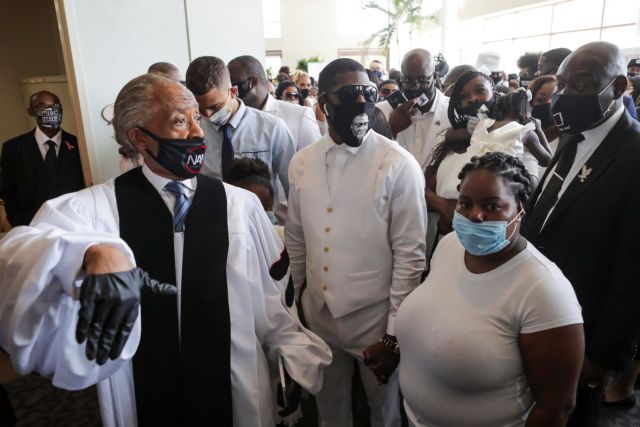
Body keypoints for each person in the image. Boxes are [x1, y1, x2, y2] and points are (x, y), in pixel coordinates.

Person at [0, 73, 331, 427]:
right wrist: (88, 253)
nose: (198, 132)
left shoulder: (239, 206)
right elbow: (17, 253)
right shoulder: (96, 209)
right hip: (143, 388)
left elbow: (271, 297)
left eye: (196, 118)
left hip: (233, 382)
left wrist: (289, 354)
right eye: (179, 121)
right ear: (138, 137)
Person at [286, 58, 428, 427]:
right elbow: (297, 237)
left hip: (375, 319)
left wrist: (394, 335)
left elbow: (410, 256)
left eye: (368, 92)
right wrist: (298, 303)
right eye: (349, 94)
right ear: (324, 103)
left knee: (385, 411)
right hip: (318, 314)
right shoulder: (301, 162)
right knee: (329, 410)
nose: (362, 101)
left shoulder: (397, 164)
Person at [397, 151, 584, 426]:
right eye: (465, 204)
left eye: (492, 206)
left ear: (519, 210)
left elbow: (555, 408)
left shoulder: (545, 292)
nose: (475, 216)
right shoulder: (450, 246)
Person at [521, 41, 640, 427]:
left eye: (581, 85)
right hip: (531, 312)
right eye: (563, 85)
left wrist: (602, 356)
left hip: (582, 333)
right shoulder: (574, 134)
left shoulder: (634, 154)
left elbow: (633, 274)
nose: (567, 96)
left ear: (618, 87)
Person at [185, 56, 295, 205]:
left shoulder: (272, 128)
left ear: (233, 91)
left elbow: (292, 185)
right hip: (211, 215)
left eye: (215, 107)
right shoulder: (192, 133)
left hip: (258, 216)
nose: (208, 115)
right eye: (200, 108)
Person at [426, 70, 496, 237]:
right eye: (464, 96)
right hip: (444, 238)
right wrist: (443, 206)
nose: (472, 99)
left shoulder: (510, 137)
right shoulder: (451, 140)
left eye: (480, 90)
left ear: (495, 93)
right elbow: (425, 188)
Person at [0, 91, 85, 227]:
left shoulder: (80, 144)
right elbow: (8, 190)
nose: (50, 110)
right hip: (31, 226)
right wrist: (19, 223)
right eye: (42, 106)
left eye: (55, 106)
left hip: (75, 224)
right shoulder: (13, 148)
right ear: (31, 111)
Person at [377, 48, 450, 171]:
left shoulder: (452, 111)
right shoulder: (381, 111)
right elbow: (371, 158)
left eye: (422, 80)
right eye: (408, 81)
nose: (415, 87)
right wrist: (391, 129)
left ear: (435, 76)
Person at [227, 55, 320, 152]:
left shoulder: (300, 115)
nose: (230, 91)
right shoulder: (232, 118)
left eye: (233, 83)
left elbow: (314, 157)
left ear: (253, 82)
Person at [469, 88, 552, 188]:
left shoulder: (483, 123)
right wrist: (539, 130)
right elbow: (548, 161)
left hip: (473, 178)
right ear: (525, 110)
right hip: (503, 186)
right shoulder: (524, 132)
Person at [529, 75, 560, 150]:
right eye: (540, 99)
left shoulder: (567, 139)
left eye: (554, 100)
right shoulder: (519, 135)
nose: (548, 105)